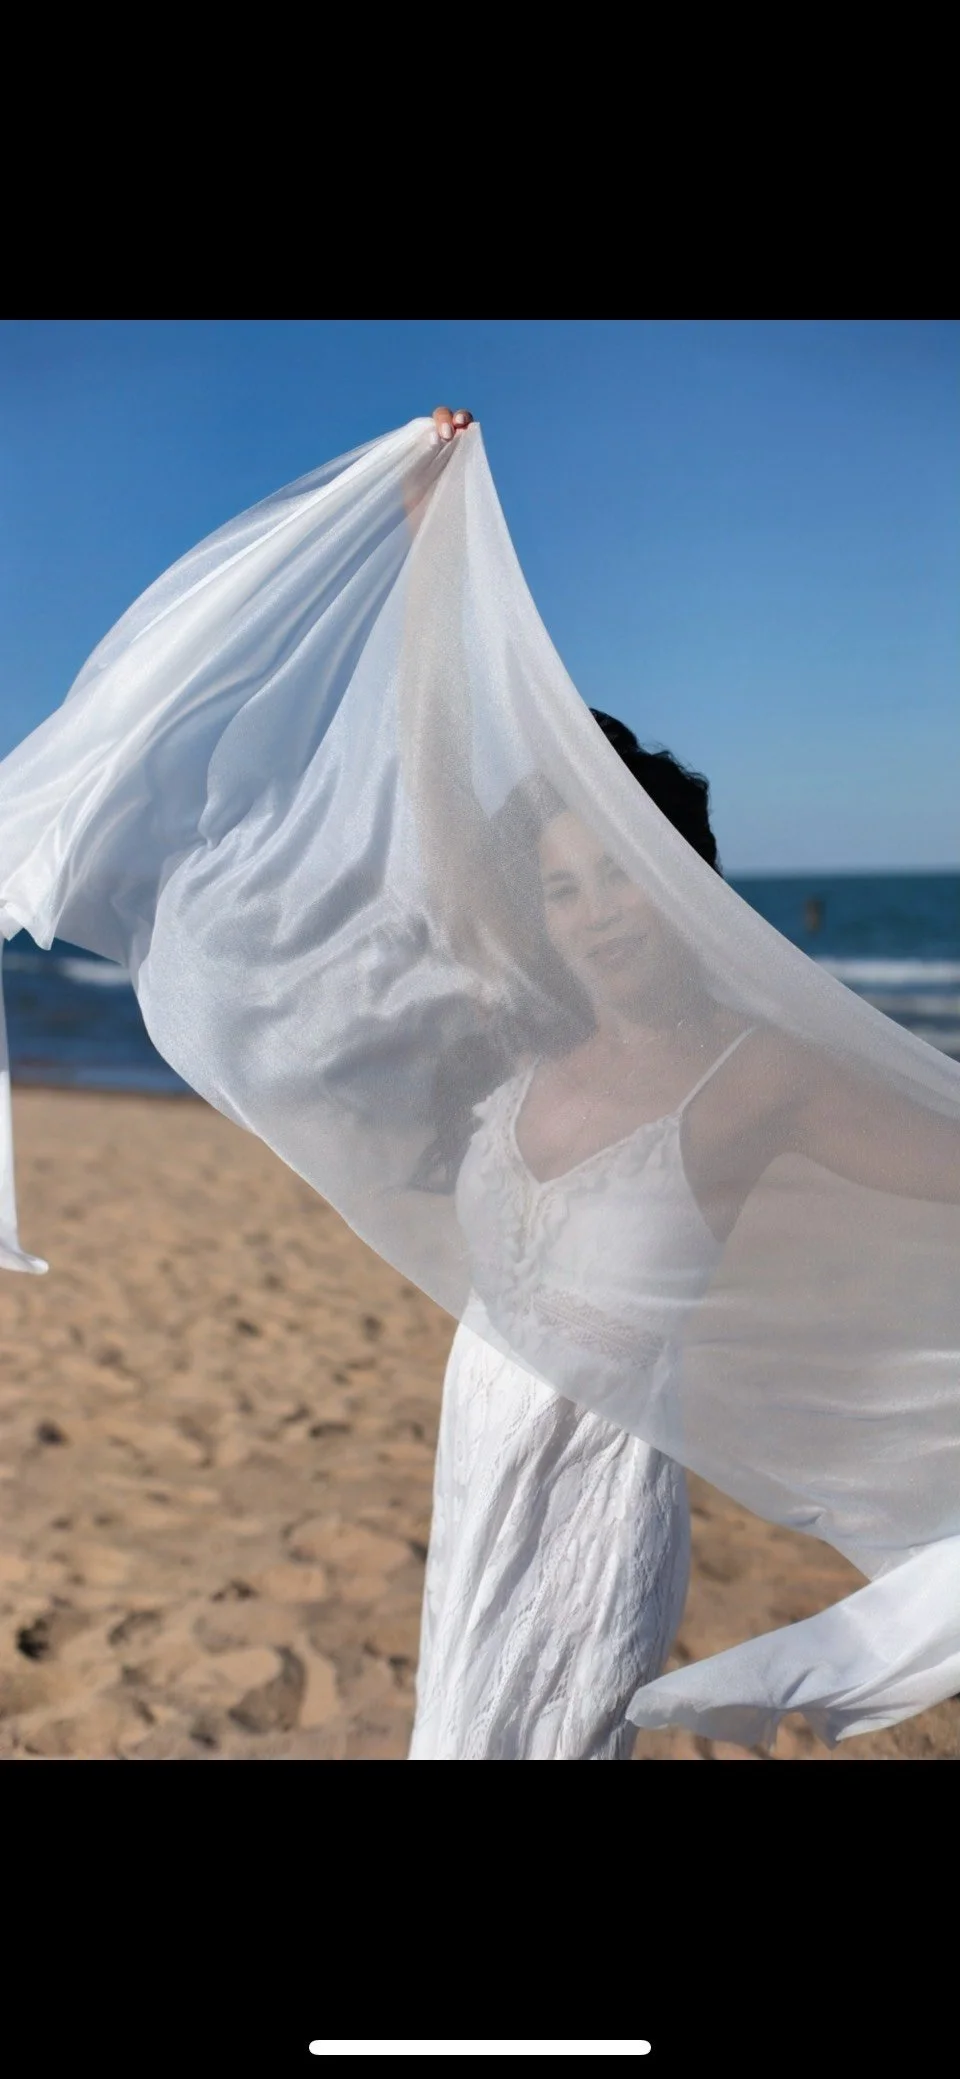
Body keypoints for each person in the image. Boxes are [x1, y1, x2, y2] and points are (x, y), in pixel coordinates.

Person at [407, 406, 960, 1760]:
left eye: (626, 875)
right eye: (565, 882)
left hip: (593, 1504)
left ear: (684, 889)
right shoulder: (523, 1032)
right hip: (472, 1470)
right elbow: (432, 797)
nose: (599, 910)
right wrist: (435, 551)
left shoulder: (755, 1072)